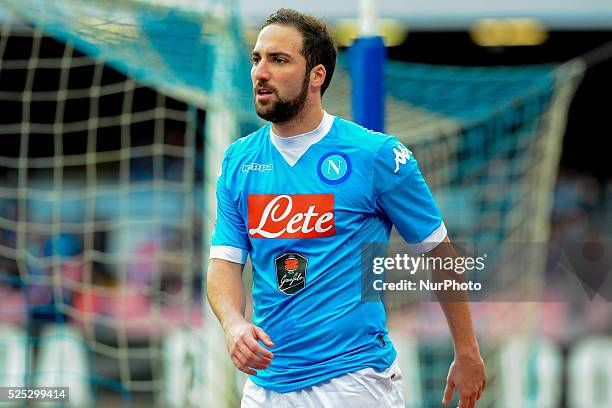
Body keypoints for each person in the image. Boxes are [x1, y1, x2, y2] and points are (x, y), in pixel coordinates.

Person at [206, 8, 486, 408]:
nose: (260, 72)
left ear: (317, 75)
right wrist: (233, 325)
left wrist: (467, 350)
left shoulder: (376, 155)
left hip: (353, 382)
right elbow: (223, 264)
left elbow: (439, 253)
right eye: (257, 59)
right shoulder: (238, 161)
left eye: (278, 59)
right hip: (266, 386)